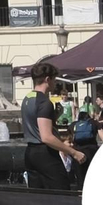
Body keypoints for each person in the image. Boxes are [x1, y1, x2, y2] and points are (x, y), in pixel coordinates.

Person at [20, 62, 83, 190]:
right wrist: (74, 152)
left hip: (30, 152)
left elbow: (34, 123)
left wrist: (55, 116)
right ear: (47, 79)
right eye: (54, 80)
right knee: (62, 191)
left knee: (38, 196)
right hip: (45, 153)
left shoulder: (27, 99)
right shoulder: (44, 102)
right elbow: (46, 137)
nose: (55, 84)